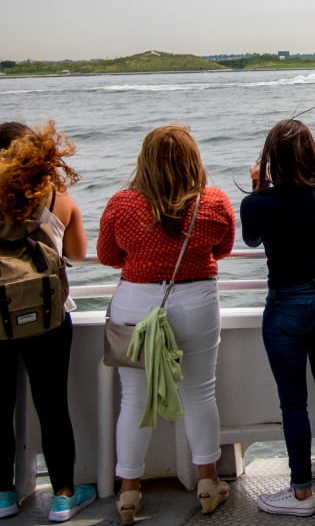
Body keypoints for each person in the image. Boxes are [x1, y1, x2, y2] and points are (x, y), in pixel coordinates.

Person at [98, 125, 236, 524]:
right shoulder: (213, 200)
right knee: (200, 393)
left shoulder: (122, 204)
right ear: (193, 159)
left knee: (134, 399)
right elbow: (223, 249)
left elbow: (108, 255)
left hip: (137, 302)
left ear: (145, 160)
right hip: (196, 300)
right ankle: (208, 481)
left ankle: (128, 491)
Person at [240, 119, 315, 517]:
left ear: (271, 157)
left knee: (293, 402)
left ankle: (301, 493)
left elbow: (252, 239)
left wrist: (258, 186)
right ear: (310, 154)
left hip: (288, 303)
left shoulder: (258, 203)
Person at [0, 122, 95, 522]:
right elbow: (75, 252)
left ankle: (4, 495)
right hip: (49, 316)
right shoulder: (59, 198)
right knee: (52, 405)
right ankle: (63, 495)